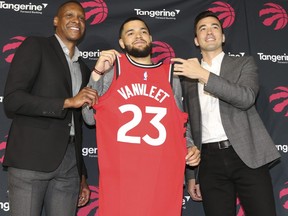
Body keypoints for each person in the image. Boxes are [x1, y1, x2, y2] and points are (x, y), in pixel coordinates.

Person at [82, 17, 200, 216]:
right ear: (121, 43)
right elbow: (88, 117)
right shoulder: (112, 70)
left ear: (151, 38)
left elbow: (178, 122)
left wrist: (189, 146)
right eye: (131, 33)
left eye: (143, 31)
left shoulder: (171, 74)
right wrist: (96, 74)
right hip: (122, 180)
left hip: (161, 179)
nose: (138, 36)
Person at [172, 10, 281, 216]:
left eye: (214, 26)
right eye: (202, 28)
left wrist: (203, 75)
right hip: (209, 162)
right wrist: (191, 174)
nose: (209, 31)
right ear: (196, 40)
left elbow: (246, 98)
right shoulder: (186, 76)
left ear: (222, 36)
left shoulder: (243, 63)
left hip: (247, 155)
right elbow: (184, 122)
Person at [3, 1, 98, 216]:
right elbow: (13, 100)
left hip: (69, 165)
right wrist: (66, 102)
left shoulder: (83, 68)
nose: (77, 21)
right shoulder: (36, 46)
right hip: (31, 160)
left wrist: (82, 173)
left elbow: (78, 125)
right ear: (56, 21)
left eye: (82, 18)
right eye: (70, 16)